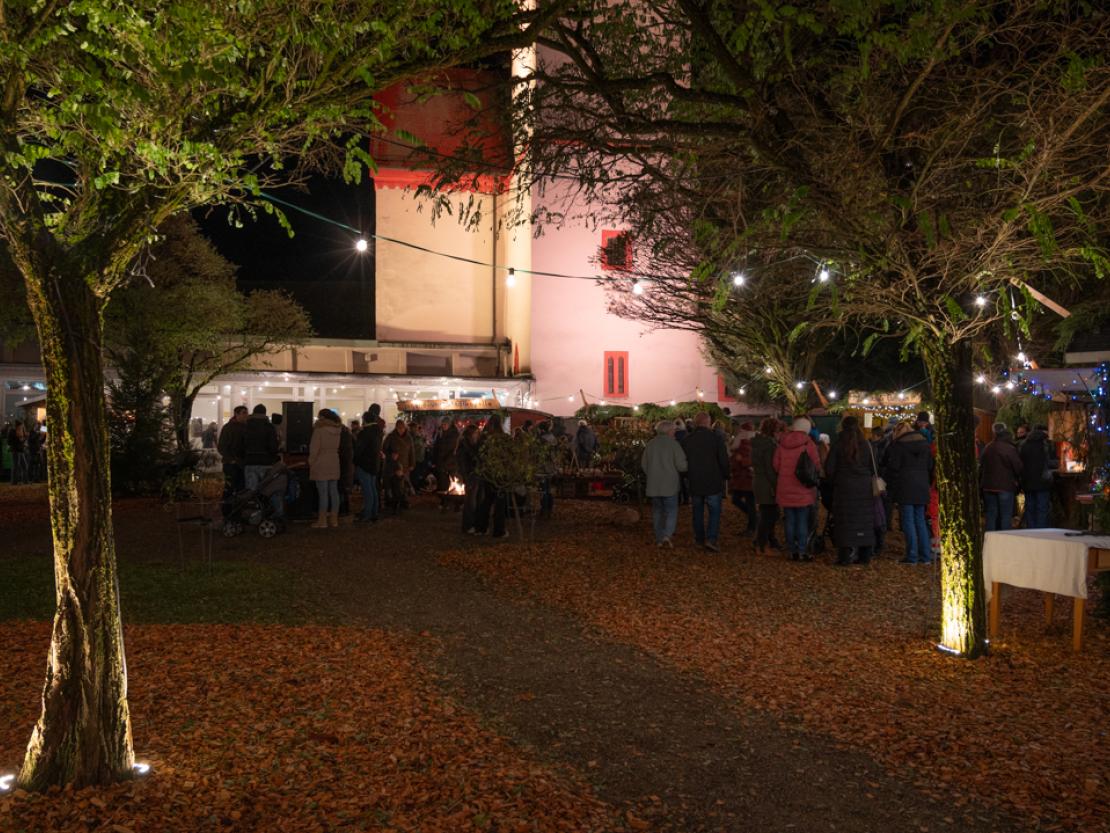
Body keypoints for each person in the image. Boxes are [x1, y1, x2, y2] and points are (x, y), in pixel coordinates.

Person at [824, 416, 876, 565]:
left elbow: (829, 468)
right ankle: (865, 555)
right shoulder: (866, 445)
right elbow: (874, 467)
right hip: (864, 487)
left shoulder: (839, 444)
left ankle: (844, 556)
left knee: (845, 521)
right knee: (864, 520)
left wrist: (834, 481)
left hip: (844, 487)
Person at [885, 421, 935, 564]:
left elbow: (893, 467)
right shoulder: (925, 444)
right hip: (921, 484)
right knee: (920, 520)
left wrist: (890, 487)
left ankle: (912, 556)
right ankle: (925, 555)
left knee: (908, 521)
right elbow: (930, 465)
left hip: (905, 485)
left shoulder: (898, 446)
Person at [772, 416, 821, 561]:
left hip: (785, 487)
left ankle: (791, 550)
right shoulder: (808, 443)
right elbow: (816, 465)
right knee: (802, 520)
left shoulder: (782, 443)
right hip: (803, 488)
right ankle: (801, 550)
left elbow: (776, 465)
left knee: (789, 519)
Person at [682, 411, 730, 551]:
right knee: (714, 512)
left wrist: (686, 475)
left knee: (697, 511)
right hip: (713, 480)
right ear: (708, 423)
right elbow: (723, 460)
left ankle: (699, 539)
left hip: (695, 479)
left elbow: (683, 461)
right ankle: (711, 539)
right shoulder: (716, 438)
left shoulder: (688, 440)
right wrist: (726, 475)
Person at [641, 419, 688, 547]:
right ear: (669, 431)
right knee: (671, 510)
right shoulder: (674, 445)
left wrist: (651, 474)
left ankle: (659, 538)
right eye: (673, 430)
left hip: (654, 484)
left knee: (657, 511)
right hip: (670, 484)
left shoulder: (651, 444)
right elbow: (681, 466)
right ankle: (667, 534)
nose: (675, 432)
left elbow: (644, 464)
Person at [242, 404, 284, 527]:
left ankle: (253, 516)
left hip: (250, 463)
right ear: (265, 414)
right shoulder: (269, 427)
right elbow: (273, 447)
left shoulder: (246, 426)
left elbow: (241, 445)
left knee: (251, 492)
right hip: (266, 463)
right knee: (270, 491)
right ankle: (273, 517)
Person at [979, 422, 1023, 532]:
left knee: (991, 514)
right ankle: (1005, 540)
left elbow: (981, 464)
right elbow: (1018, 467)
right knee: (1006, 515)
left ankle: (990, 540)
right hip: (1005, 486)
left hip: (988, 486)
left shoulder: (988, 447)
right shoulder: (1009, 448)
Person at [751, 418, 783, 554]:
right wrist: (777, 486)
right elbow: (770, 469)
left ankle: (766, 541)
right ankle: (762, 545)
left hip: (758, 480)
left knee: (767, 512)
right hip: (767, 483)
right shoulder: (770, 446)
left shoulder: (756, 443)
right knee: (769, 514)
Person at [474, 414, 508, 538]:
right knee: (499, 503)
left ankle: (481, 528)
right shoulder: (503, 438)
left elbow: (478, 454)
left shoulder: (484, 438)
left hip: (487, 473)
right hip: (499, 474)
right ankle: (498, 530)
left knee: (486, 501)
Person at [308, 409, 342, 528]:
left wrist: (311, 462)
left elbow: (314, 449)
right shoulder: (338, 430)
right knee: (334, 492)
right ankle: (334, 519)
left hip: (321, 462)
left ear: (322, 417)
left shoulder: (319, 430)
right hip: (334, 461)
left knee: (323, 493)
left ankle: (322, 521)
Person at [1019, 423, 1056, 529]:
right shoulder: (1046, 445)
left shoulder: (1024, 445)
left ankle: (1031, 530)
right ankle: (1041, 531)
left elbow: (1019, 462)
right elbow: (1050, 462)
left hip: (1027, 481)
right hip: (1043, 481)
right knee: (1042, 508)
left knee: (1030, 507)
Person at [216, 405, 249, 518]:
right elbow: (222, 447)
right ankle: (227, 512)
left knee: (240, 489)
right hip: (232, 464)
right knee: (230, 489)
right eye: (244, 413)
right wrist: (232, 460)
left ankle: (236, 512)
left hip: (240, 464)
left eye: (246, 413)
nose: (246, 415)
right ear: (237, 414)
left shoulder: (245, 428)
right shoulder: (229, 428)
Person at [353, 405, 383, 523]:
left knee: (367, 491)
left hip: (364, 464)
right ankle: (374, 512)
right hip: (374, 463)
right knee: (373, 489)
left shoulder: (365, 433)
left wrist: (355, 461)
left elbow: (359, 449)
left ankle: (367, 514)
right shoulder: (378, 431)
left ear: (365, 420)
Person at [728, 422, 758, 536]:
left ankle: (752, 525)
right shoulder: (746, 443)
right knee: (744, 501)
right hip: (744, 478)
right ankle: (753, 520)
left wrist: (741, 461)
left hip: (745, 478)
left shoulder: (743, 444)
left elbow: (751, 461)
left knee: (744, 501)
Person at [383, 420, 415, 512]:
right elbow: (384, 449)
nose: (401, 430)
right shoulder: (390, 437)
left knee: (403, 485)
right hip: (393, 465)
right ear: (396, 428)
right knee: (393, 485)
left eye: (402, 428)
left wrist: (412, 464)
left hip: (404, 465)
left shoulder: (408, 438)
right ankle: (392, 503)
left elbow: (411, 452)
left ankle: (403, 502)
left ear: (405, 428)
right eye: (399, 428)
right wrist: (391, 454)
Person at [457, 423, 482, 533]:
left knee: (474, 500)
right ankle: (468, 525)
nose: (477, 435)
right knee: (470, 502)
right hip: (470, 475)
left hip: (475, 475)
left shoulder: (472, 445)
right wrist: (466, 477)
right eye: (476, 433)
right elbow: (462, 463)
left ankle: (473, 523)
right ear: (471, 434)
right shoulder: (465, 446)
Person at [432, 417, 460, 510]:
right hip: (441, 463)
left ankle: (456, 502)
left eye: (445, 424)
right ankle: (444, 501)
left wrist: (447, 461)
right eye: (442, 424)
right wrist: (435, 460)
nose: (443, 426)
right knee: (443, 484)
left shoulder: (455, 435)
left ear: (449, 424)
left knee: (454, 482)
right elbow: (436, 447)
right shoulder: (440, 434)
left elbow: (454, 451)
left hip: (451, 463)